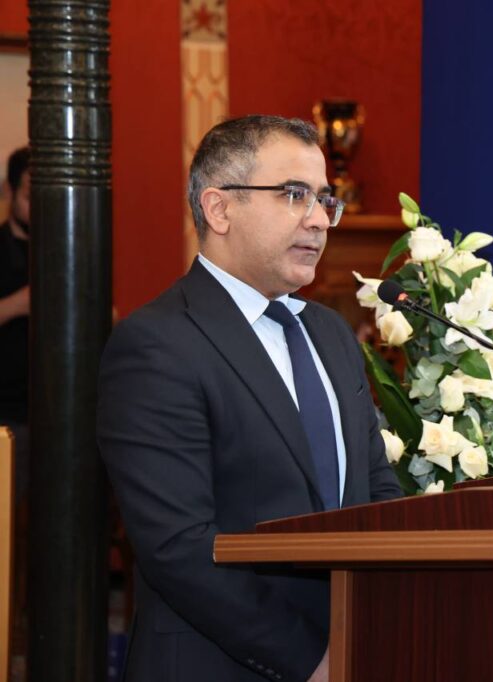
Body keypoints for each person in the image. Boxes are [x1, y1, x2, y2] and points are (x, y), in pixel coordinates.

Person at [97, 115, 403, 682]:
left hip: (351, 649)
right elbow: (179, 547)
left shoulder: (330, 333)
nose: (319, 219)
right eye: (294, 195)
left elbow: (375, 490)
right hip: (222, 664)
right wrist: (311, 660)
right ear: (219, 210)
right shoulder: (157, 344)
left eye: (324, 199)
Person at [0, 146, 30, 494]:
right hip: (8, 413)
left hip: (60, 412)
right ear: (9, 191)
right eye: (29, 196)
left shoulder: (68, 246)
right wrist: (17, 304)